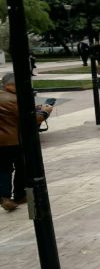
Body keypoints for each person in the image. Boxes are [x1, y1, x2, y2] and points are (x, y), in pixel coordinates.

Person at [0, 74, 52, 211]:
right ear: (10, 85)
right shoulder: (12, 99)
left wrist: (34, 108)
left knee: (5, 168)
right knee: (23, 167)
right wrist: (45, 112)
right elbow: (30, 119)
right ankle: (17, 196)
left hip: (6, 140)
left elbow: (14, 114)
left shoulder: (6, 96)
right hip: (12, 140)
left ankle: (8, 197)